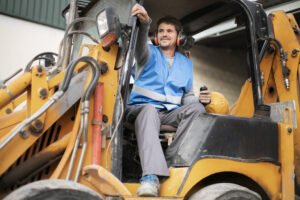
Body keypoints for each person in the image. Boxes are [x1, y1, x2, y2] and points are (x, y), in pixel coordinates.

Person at [125, 3, 211, 197]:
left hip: (167, 114)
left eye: (169, 31)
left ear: (178, 37)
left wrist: (200, 101)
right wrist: (145, 24)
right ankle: (150, 178)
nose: (164, 34)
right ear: (156, 36)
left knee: (197, 110)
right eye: (161, 31)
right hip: (139, 110)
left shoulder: (186, 64)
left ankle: (171, 160)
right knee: (148, 110)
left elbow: (186, 97)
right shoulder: (147, 54)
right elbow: (139, 46)